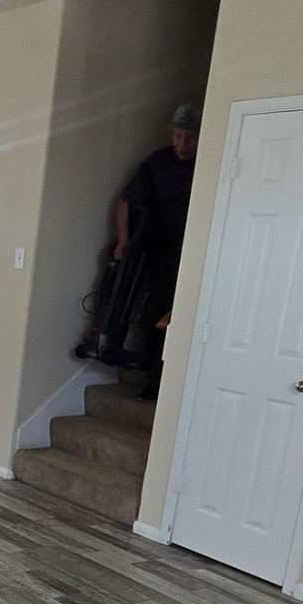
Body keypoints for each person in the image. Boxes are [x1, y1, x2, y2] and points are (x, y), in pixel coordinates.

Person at [113, 103, 201, 398]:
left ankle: (183, 383)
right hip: (162, 251)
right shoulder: (157, 164)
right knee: (154, 317)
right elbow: (125, 200)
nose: (183, 143)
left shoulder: (213, 162)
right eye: (178, 136)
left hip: (199, 252)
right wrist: (123, 241)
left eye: (190, 137)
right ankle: (155, 381)